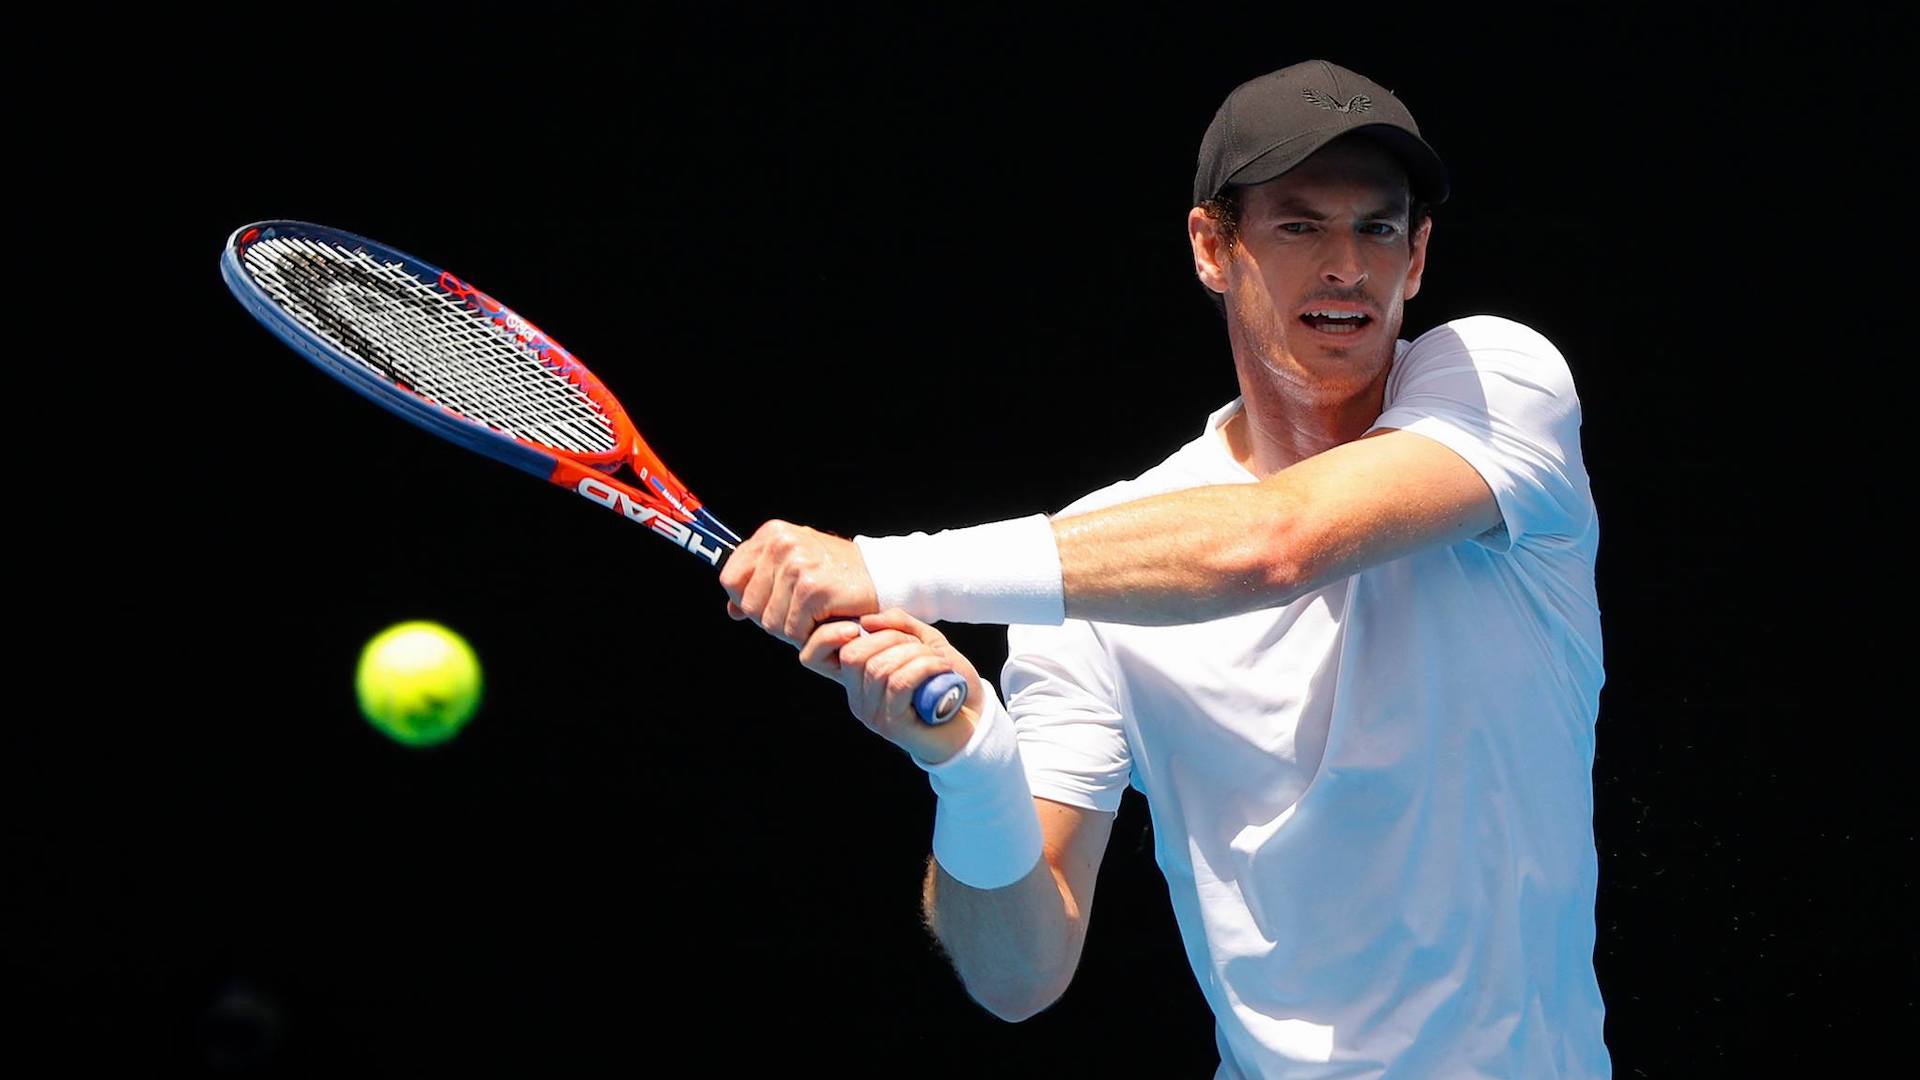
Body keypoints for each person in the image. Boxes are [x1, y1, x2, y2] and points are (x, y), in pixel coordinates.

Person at [720, 59, 1608, 1078]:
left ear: (1417, 258)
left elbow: (1274, 543)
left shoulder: (1503, 385)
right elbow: (1019, 976)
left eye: (1377, 229)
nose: (1346, 267)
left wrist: (885, 570)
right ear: (1211, 248)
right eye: (1298, 226)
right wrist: (970, 764)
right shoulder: (1096, 570)